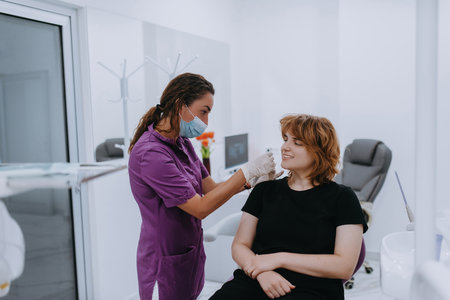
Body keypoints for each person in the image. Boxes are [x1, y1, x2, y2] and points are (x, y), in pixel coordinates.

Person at [127, 73, 277, 300]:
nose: (206, 122)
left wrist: (250, 182)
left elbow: (211, 188)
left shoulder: (182, 143)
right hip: (164, 259)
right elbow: (200, 207)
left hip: (188, 251)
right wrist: (246, 171)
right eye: (203, 111)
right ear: (180, 105)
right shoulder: (151, 153)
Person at [210, 114, 368, 300]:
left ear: (320, 151)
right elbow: (240, 245)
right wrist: (261, 273)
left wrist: (279, 258)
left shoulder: (342, 198)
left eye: (297, 143)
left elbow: (344, 267)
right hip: (257, 281)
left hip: (314, 288)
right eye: (285, 139)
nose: (285, 147)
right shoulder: (264, 189)